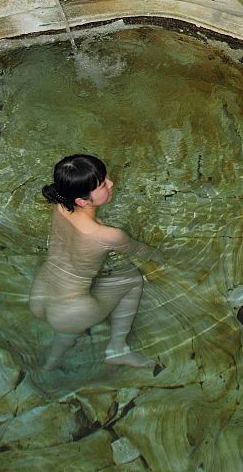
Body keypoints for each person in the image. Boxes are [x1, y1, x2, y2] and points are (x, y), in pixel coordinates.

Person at [29, 154, 160, 369]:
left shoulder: (61, 206)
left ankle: (52, 362)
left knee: (66, 327)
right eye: (102, 184)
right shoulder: (107, 235)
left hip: (41, 295)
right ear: (82, 201)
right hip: (72, 311)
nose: (111, 183)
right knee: (133, 278)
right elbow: (144, 252)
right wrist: (170, 258)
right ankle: (117, 349)